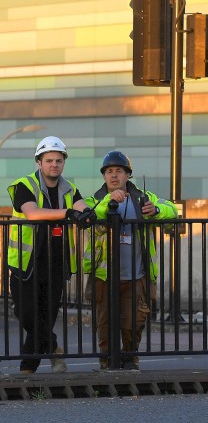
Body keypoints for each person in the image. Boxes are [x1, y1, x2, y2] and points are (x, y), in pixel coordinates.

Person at [6, 136, 93, 374]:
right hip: (27, 263)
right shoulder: (24, 185)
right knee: (25, 313)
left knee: (44, 317)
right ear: (39, 162)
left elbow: (82, 207)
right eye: (49, 160)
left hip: (57, 263)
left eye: (58, 160)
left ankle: (27, 370)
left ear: (63, 163)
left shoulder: (69, 188)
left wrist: (87, 214)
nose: (54, 164)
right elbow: (33, 214)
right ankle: (54, 348)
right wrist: (69, 213)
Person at [83, 151, 177, 370]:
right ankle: (107, 363)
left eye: (119, 171)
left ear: (128, 175)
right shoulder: (95, 198)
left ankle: (130, 359)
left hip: (136, 274)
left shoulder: (143, 197)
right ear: (104, 176)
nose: (114, 175)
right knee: (105, 324)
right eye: (109, 171)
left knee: (134, 322)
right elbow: (91, 215)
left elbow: (172, 210)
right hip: (103, 275)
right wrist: (109, 200)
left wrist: (156, 211)